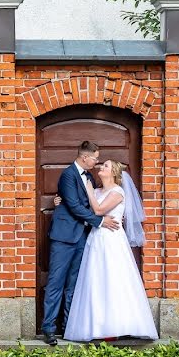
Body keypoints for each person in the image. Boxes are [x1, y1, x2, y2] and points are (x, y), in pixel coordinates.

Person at [63, 160, 158, 341]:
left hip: (112, 240)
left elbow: (98, 210)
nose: (101, 168)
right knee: (95, 278)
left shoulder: (117, 192)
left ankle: (118, 326)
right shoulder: (98, 191)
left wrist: (89, 192)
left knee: (113, 278)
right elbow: (85, 212)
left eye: (105, 166)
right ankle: (97, 326)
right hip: (96, 238)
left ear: (113, 172)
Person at [40, 141, 120, 346]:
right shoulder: (68, 175)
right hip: (64, 237)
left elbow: (92, 203)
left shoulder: (90, 176)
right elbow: (75, 206)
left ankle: (69, 326)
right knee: (56, 283)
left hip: (82, 236)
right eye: (95, 158)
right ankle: (49, 328)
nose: (97, 162)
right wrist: (101, 221)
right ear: (85, 157)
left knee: (74, 285)